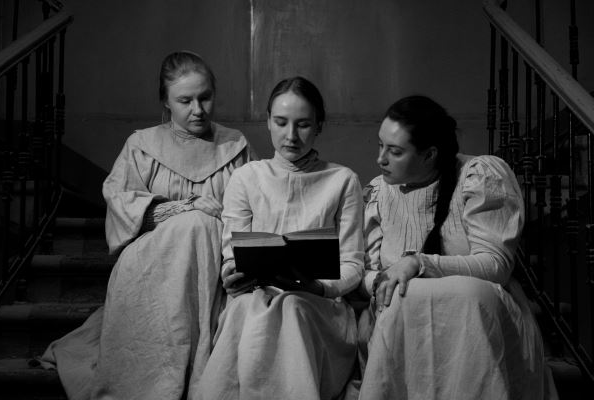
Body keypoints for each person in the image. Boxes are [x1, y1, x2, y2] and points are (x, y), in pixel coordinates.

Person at [41, 51, 256, 400]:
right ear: (166, 102)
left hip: (216, 266)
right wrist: (186, 207)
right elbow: (122, 205)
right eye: (185, 100)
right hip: (153, 261)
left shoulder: (235, 146)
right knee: (195, 224)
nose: (198, 109)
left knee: (201, 227)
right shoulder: (142, 145)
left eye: (205, 97)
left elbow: (257, 209)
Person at [357, 95, 557, 400]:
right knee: (405, 294)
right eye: (380, 145)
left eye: (395, 151)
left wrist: (418, 264)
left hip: (477, 321)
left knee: (467, 292)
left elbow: (496, 265)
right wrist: (383, 282)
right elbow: (366, 273)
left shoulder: (478, 175)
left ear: (429, 155)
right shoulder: (378, 193)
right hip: (404, 324)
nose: (380, 159)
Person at [194, 76, 364, 400]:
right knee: (246, 310)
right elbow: (232, 253)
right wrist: (233, 274)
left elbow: (353, 264)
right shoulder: (246, 178)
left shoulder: (343, 180)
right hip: (255, 297)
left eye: (303, 124)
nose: (291, 135)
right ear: (268, 121)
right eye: (281, 122)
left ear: (319, 126)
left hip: (318, 306)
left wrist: (320, 287)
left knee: (293, 306)